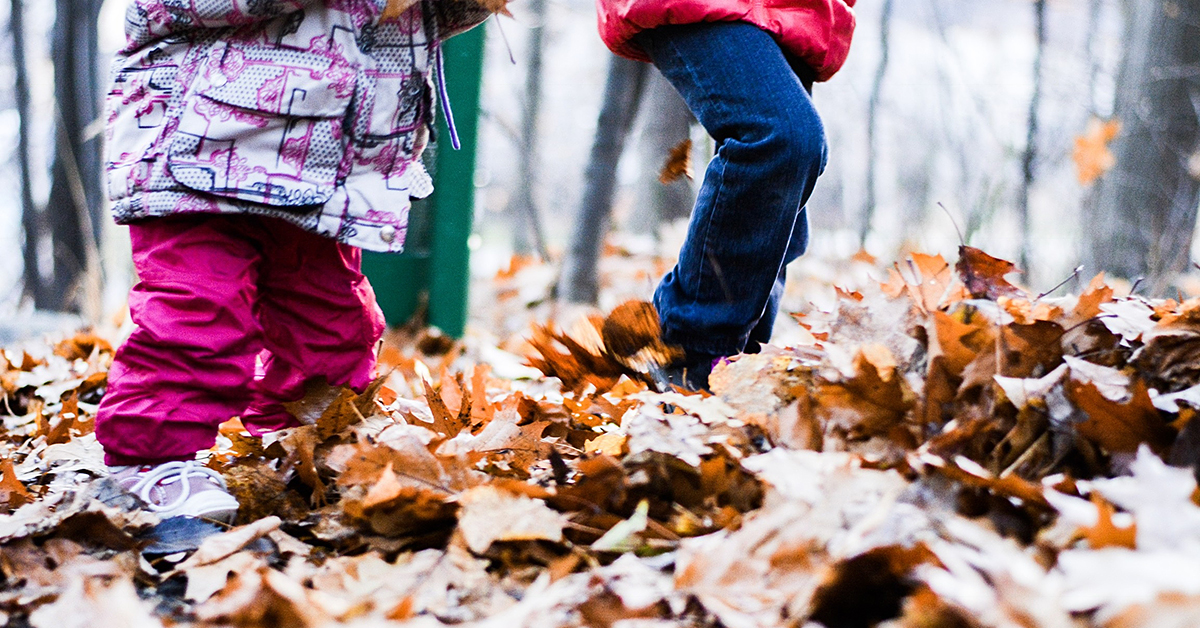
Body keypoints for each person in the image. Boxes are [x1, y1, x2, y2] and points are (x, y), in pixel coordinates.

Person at [98, 0, 491, 521]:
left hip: (322, 165)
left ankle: (298, 442)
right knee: (200, 308)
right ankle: (149, 460)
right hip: (198, 148)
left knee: (333, 323)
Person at [595, 0, 857, 389]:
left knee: (785, 182)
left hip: (797, 9)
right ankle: (686, 357)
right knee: (781, 138)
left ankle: (731, 371)